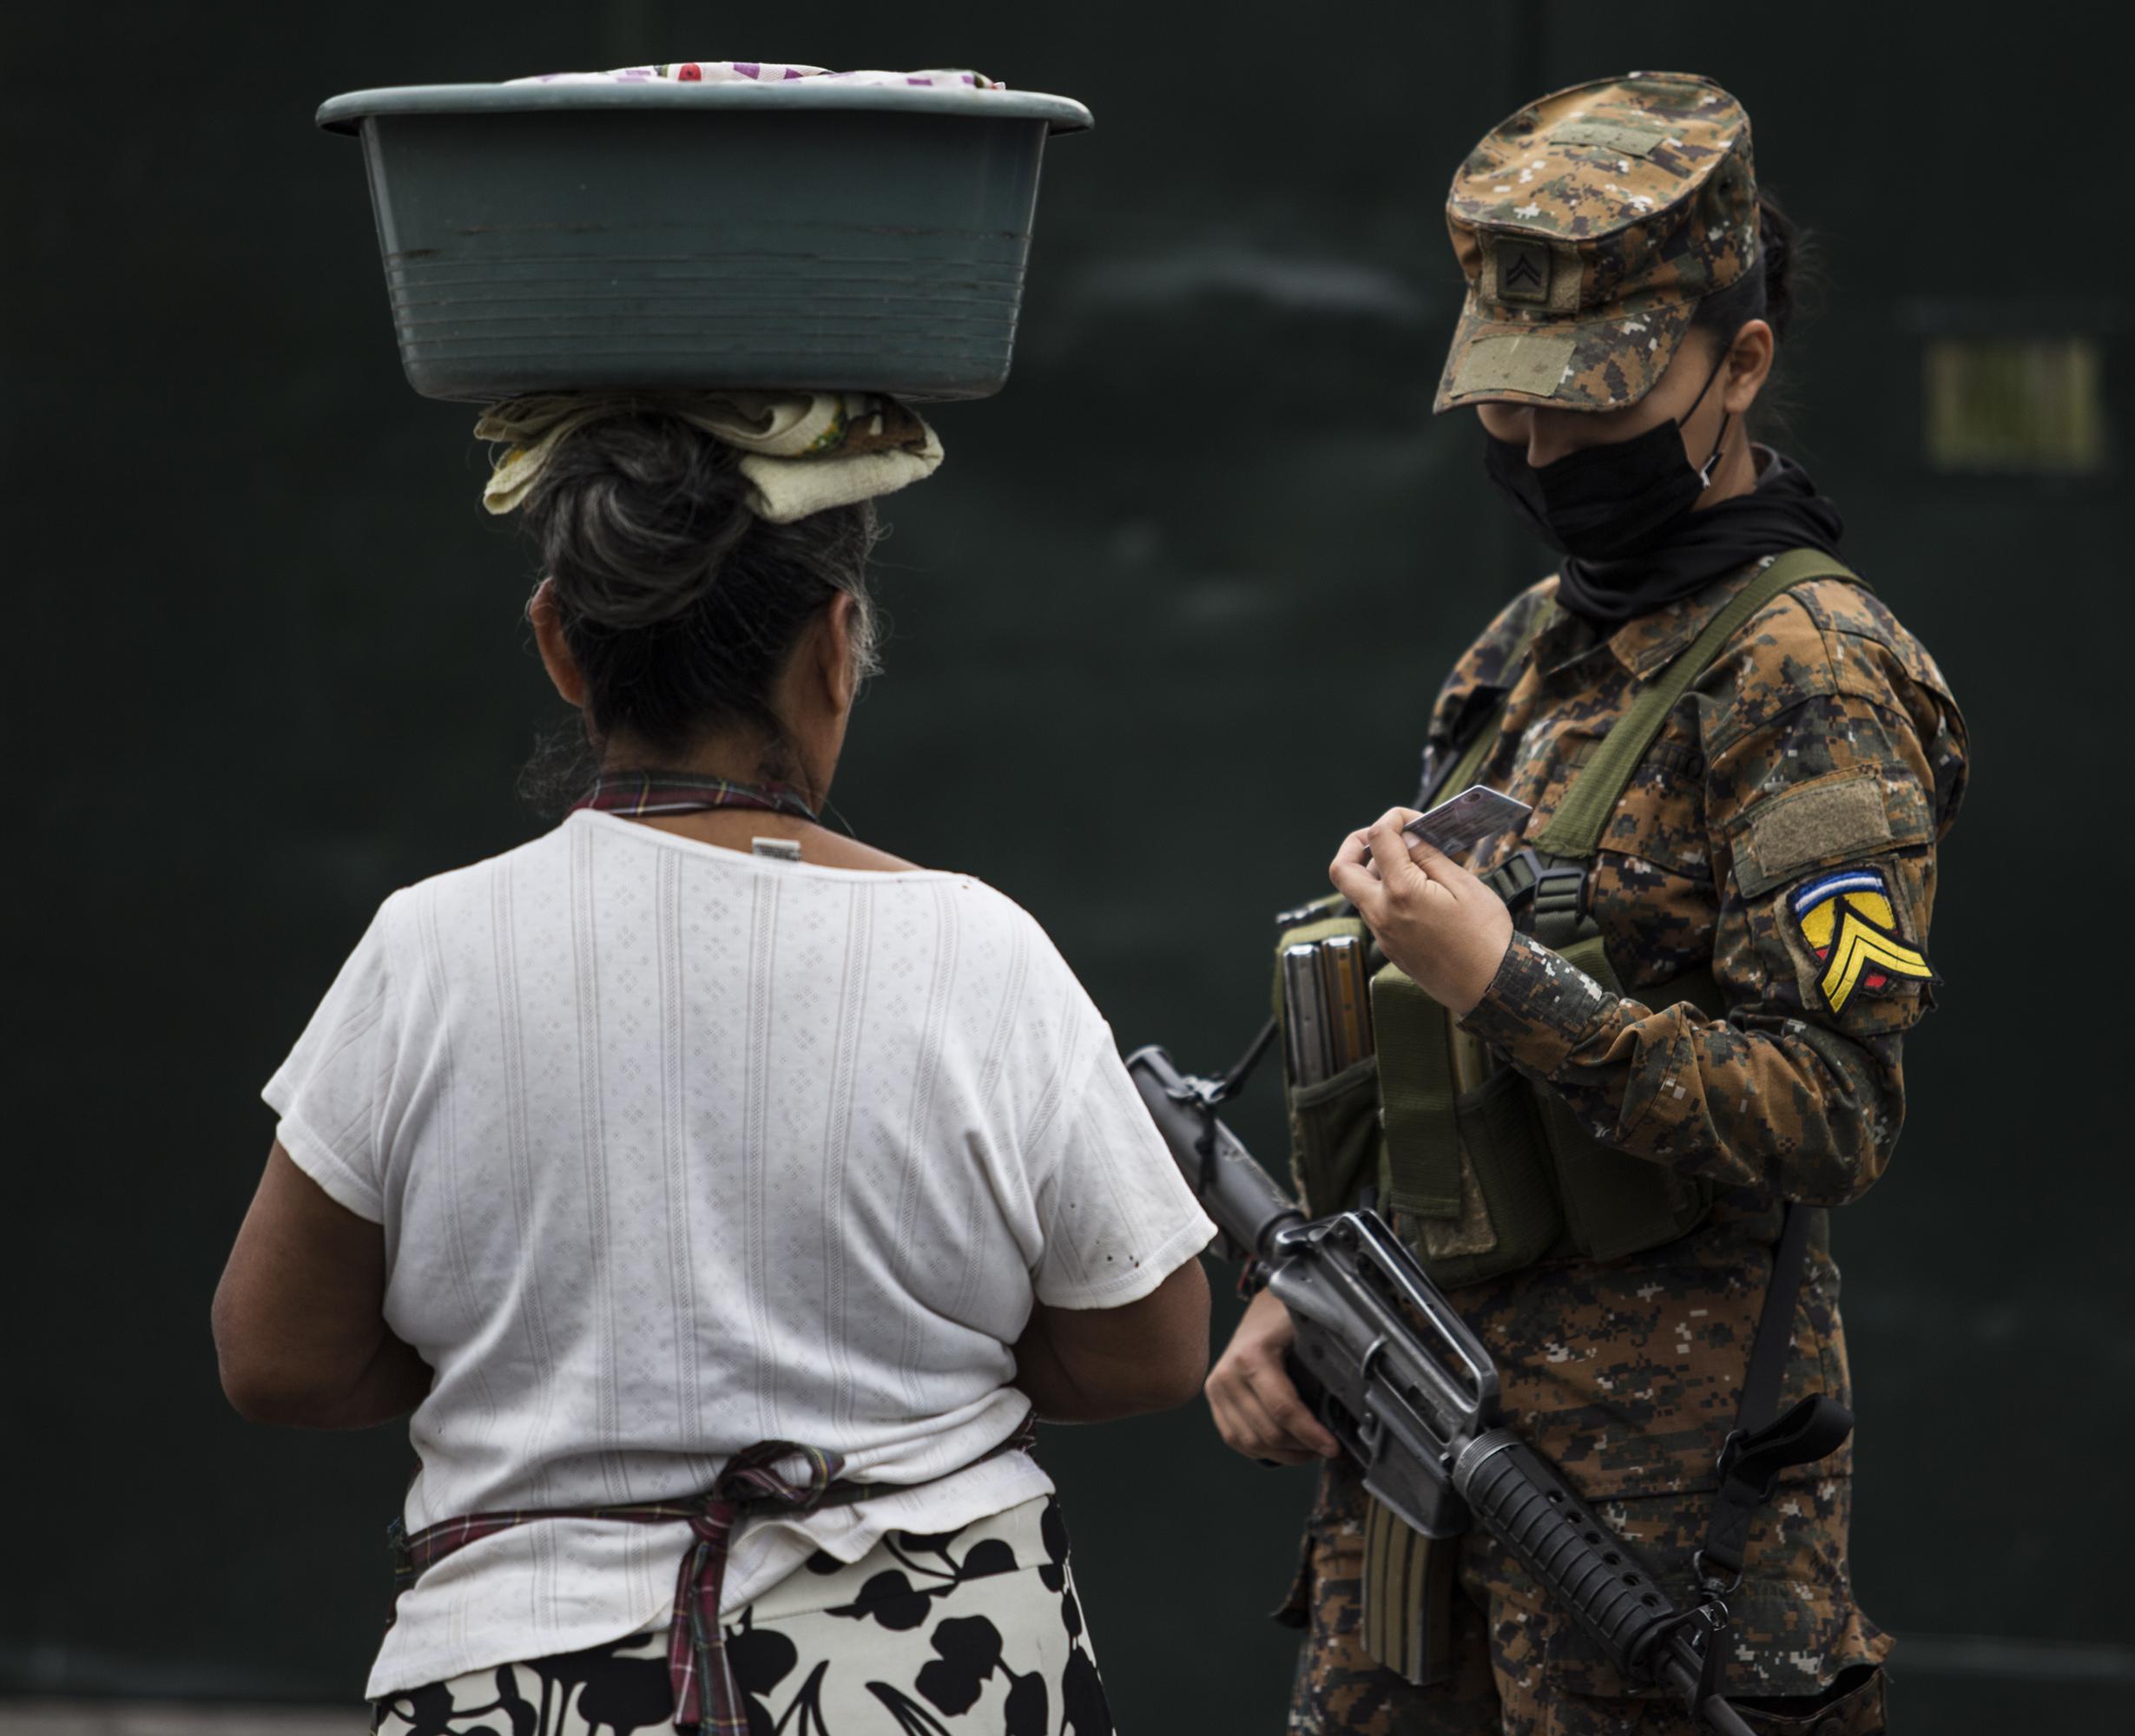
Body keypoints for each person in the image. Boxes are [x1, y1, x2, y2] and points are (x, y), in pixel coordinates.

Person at [212, 395, 1216, 1736]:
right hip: (930, 1672)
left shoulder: (430, 949)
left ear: (563, 647)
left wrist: (556, 1367)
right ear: (838, 646)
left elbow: (277, 1355)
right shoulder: (974, 949)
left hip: (523, 1677)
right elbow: (1151, 1345)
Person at [1203, 74, 1967, 1736]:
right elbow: (1436, 1080)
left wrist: (1511, 987)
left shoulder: (1811, 679)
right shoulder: (1525, 650)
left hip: (1657, 1530)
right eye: (1509, 405)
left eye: (1595, 408)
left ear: (1739, 364)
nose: (1542, 451)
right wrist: (1308, 1291)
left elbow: (1834, 1108)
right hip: (1417, 1468)